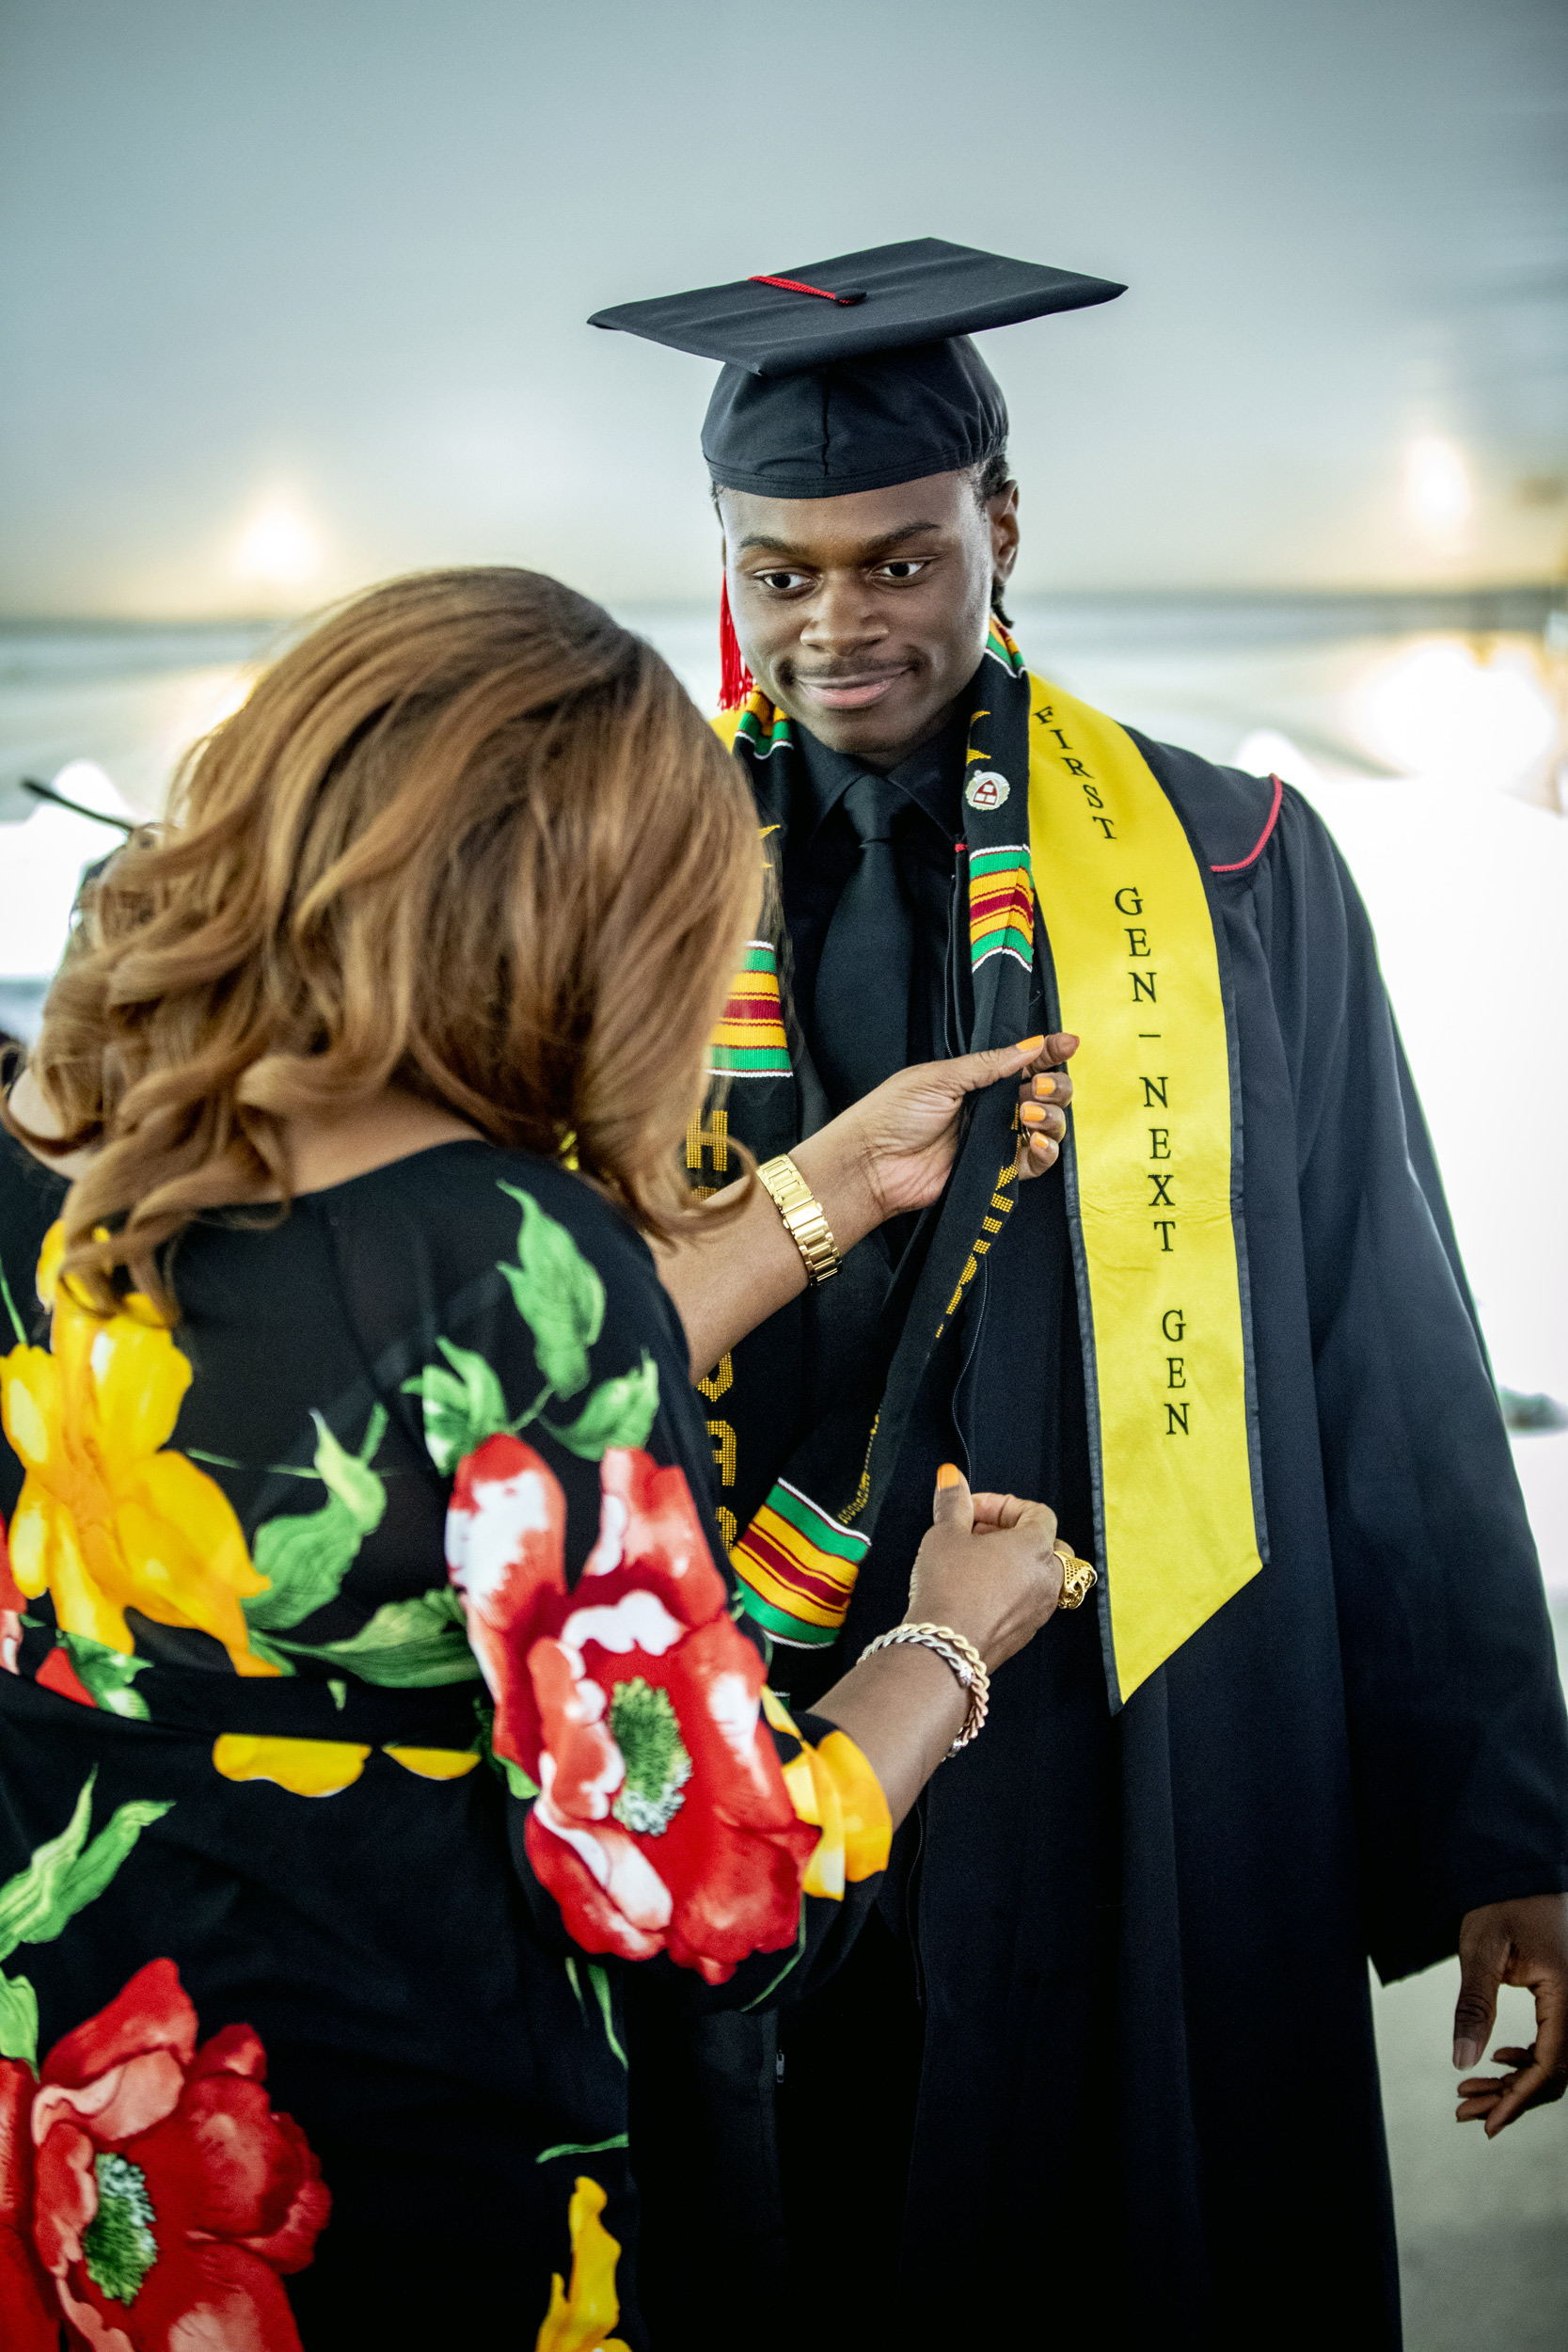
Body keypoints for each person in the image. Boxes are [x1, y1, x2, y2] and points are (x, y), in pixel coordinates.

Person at [591, 240, 1568, 2348]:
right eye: (782, 572)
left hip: (1158, 1723)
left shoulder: (1233, 864)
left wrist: (1508, 1814)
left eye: (897, 560)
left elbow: (1384, 1330)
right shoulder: (627, 889)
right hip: (778, 1702)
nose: (837, 621)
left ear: (1000, 529)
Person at [0, 565, 1069, 2350]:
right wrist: (943, 1651)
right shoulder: (515, 1254)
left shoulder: (71, 1168)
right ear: (596, 919)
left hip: (104, 2156)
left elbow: (388, 1438)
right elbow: (716, 1901)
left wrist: (823, 1193)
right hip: (389, 2179)